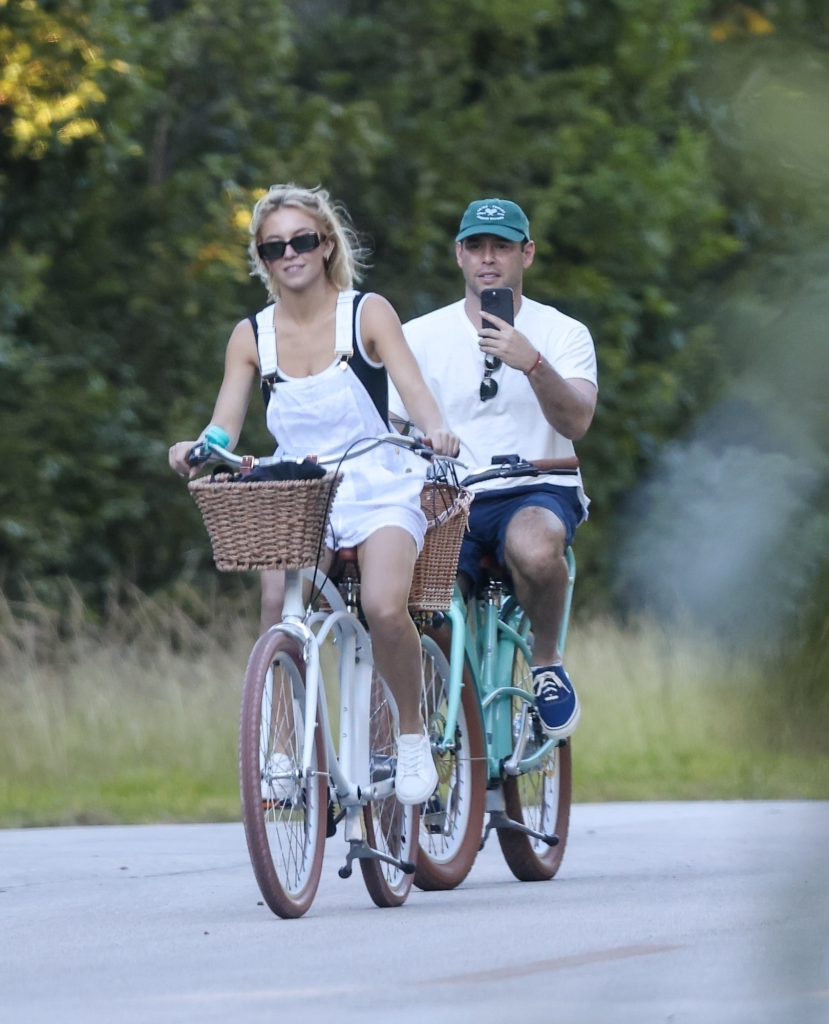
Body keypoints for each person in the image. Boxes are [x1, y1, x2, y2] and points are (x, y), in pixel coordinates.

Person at [169, 184, 460, 804]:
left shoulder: (366, 314)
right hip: (304, 491)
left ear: (326, 245)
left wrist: (435, 428)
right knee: (279, 601)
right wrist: (197, 447)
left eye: (301, 240)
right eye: (274, 247)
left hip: (378, 481)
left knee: (384, 607)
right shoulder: (252, 336)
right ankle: (282, 746)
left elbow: (414, 392)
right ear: (262, 259)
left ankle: (411, 734)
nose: (290, 254)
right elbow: (224, 426)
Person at [388, 198, 597, 740]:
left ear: (526, 254)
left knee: (535, 546)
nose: (488, 258)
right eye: (476, 246)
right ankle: (425, 723)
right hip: (448, 494)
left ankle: (546, 664)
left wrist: (531, 362)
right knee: (419, 593)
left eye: (501, 246)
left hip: (537, 485)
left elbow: (577, 421)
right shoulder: (418, 336)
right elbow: (391, 426)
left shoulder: (563, 332)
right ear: (458, 254)